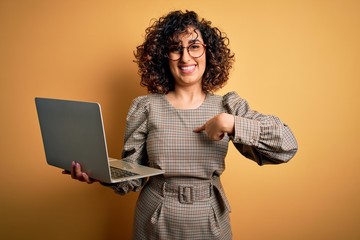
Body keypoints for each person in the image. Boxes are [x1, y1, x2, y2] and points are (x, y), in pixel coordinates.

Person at [65, 10, 298, 240]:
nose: (185, 58)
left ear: (209, 52)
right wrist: (99, 173)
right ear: (163, 57)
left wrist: (229, 123)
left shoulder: (228, 106)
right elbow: (132, 179)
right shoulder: (146, 107)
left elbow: (286, 146)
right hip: (155, 220)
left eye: (194, 46)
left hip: (210, 220)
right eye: (175, 49)